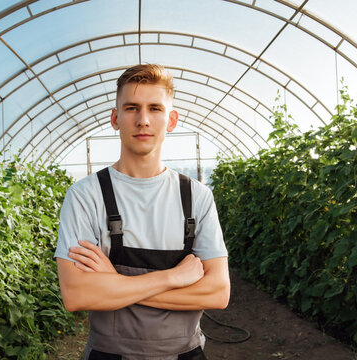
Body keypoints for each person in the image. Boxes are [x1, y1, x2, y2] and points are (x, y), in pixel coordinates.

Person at [55, 64, 230, 360]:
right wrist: (172, 277)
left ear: (171, 120)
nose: (143, 120)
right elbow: (77, 296)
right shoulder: (85, 195)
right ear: (116, 118)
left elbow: (217, 294)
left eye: (155, 109)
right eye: (132, 108)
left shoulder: (197, 197)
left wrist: (114, 283)